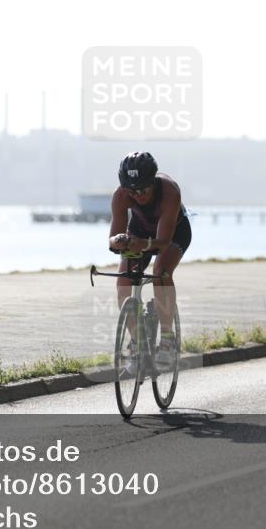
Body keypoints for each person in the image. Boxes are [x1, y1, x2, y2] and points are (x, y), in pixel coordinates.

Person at [107, 151, 192, 370]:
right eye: (133, 192)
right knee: (123, 283)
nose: (139, 195)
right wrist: (118, 241)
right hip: (139, 232)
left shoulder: (169, 191)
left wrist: (142, 244)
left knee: (160, 272)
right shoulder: (121, 195)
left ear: (153, 181)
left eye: (144, 189)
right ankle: (137, 344)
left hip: (173, 233)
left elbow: (162, 242)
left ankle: (167, 340)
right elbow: (113, 240)